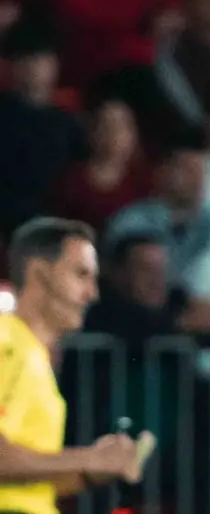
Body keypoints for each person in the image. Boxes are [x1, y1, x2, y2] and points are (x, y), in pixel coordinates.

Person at [0, 218, 143, 513]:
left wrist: (90, 473)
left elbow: (23, 480)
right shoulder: (7, 343)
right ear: (39, 274)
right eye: (81, 275)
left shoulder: (32, 354)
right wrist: (87, 458)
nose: (93, 293)